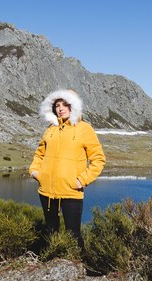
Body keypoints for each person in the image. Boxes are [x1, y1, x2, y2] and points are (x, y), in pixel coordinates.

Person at [29, 89, 106, 248]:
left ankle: (79, 267)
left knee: (73, 234)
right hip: (47, 190)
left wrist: (81, 180)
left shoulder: (84, 129)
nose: (61, 108)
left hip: (71, 190)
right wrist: (36, 172)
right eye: (57, 105)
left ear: (74, 106)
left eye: (65, 104)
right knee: (50, 230)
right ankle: (49, 265)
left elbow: (98, 159)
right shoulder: (50, 129)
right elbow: (39, 154)